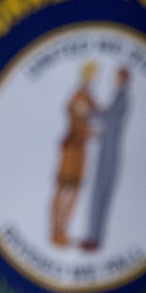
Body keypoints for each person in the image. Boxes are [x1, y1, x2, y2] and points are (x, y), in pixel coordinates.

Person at [80, 65, 131, 251]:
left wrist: (89, 112)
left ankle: (95, 238)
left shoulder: (122, 98)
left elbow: (108, 117)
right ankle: (92, 236)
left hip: (110, 152)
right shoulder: (118, 96)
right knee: (98, 194)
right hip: (106, 149)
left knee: (102, 194)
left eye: (118, 78)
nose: (115, 81)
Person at [49, 60, 99, 247]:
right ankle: (56, 230)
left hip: (80, 150)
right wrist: (90, 132)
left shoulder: (88, 96)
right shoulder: (78, 96)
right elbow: (77, 120)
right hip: (73, 148)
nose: (95, 79)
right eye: (93, 75)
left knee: (74, 190)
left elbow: (97, 112)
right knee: (65, 190)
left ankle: (64, 230)